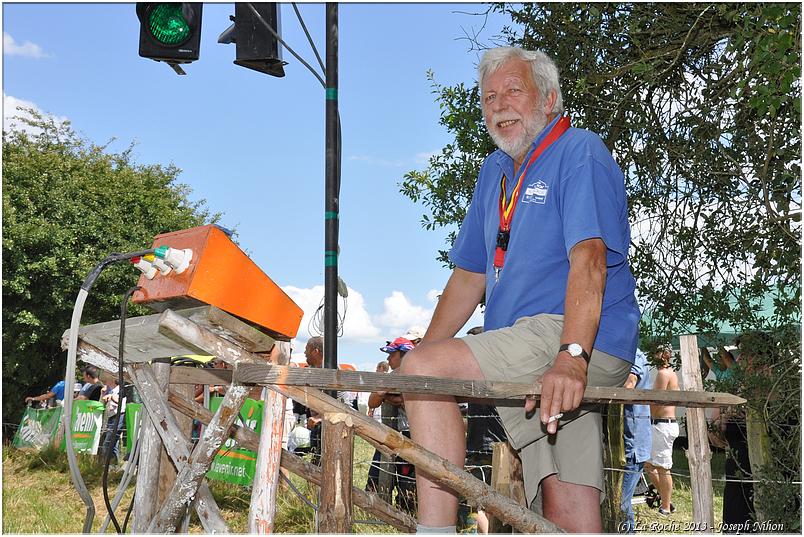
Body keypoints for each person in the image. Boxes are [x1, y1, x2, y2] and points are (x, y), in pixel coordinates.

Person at [398, 46, 640, 533]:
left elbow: (590, 259)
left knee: (424, 370)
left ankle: (435, 531)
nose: (498, 105)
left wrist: (572, 355)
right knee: (568, 508)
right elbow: (470, 276)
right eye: (488, 97)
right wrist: (422, 353)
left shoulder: (580, 151)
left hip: (574, 340)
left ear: (550, 99)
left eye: (513, 91)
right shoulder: (494, 172)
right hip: (536, 350)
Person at [367, 337, 417, 512]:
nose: (388, 360)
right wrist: (388, 396)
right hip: (394, 434)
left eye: (392, 355)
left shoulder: (417, 376)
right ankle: (384, 510)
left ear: (404, 355)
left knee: (408, 480)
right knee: (381, 475)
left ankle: (405, 513)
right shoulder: (392, 376)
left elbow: (407, 401)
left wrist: (386, 396)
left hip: (413, 435)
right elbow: (373, 401)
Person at [644, 346, 679, 516]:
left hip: (662, 425)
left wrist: (642, 418)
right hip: (662, 424)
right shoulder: (668, 372)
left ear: (664, 355)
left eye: (656, 352)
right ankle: (666, 499)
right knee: (648, 464)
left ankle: (665, 507)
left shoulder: (663, 373)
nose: (653, 356)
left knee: (663, 467)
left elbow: (655, 402)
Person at [620, 349, 652, 532]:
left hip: (632, 445)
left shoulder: (635, 355)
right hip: (626, 442)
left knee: (622, 503)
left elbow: (628, 385)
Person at [101, 377, 126, 461]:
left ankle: (108, 463)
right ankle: (114, 464)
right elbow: (103, 402)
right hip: (111, 416)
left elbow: (120, 401)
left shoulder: (120, 389)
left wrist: (111, 396)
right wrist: (103, 394)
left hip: (118, 416)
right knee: (113, 444)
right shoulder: (110, 390)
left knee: (108, 443)